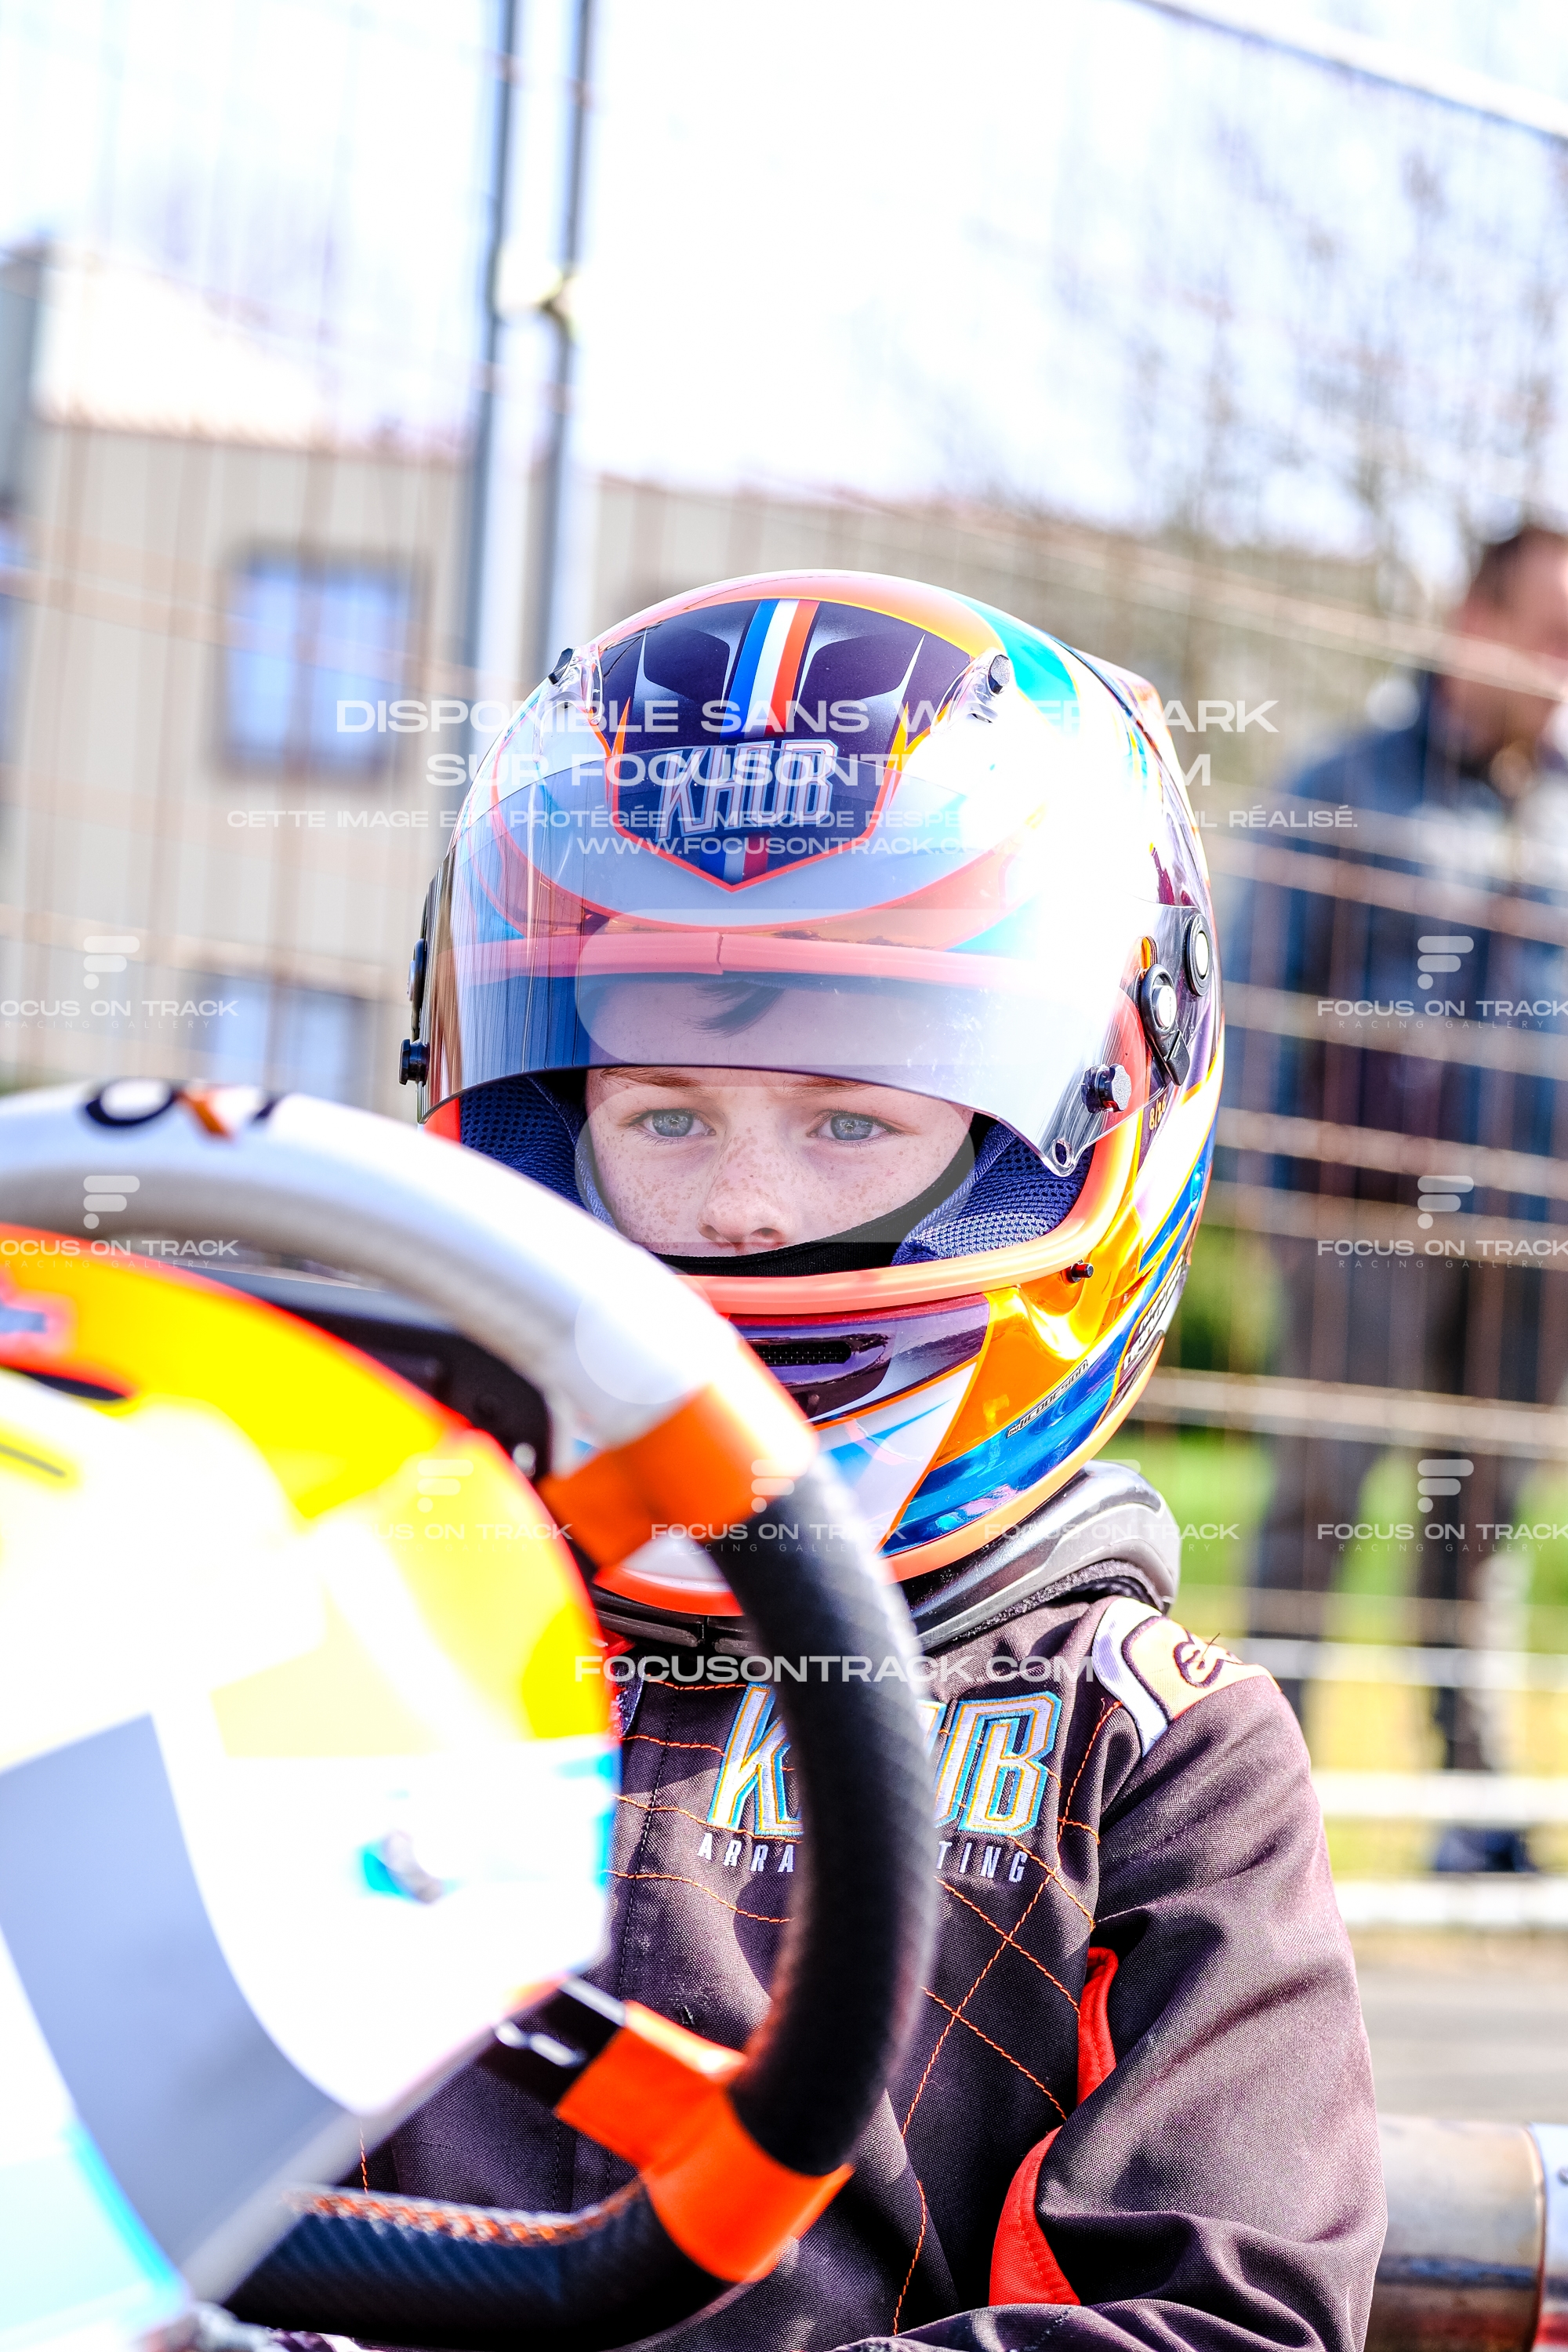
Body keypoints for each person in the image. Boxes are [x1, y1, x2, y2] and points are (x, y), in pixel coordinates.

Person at [386, 574, 1383, 2348]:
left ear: (1066, 1138)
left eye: (849, 1118)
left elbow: (1218, 2319)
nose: (742, 1207)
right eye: (663, 1112)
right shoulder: (362, 1622)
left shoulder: (1148, 1752)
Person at [1233, 525, 1568, 1805]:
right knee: (1318, 1501)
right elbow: (1260, 992)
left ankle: (1473, 1807)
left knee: (1487, 1517)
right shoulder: (1346, 784)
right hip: (1359, 1214)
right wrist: (1274, 1198)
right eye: (1550, 636)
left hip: (1533, 1226)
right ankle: (1257, 1801)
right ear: (1472, 620)